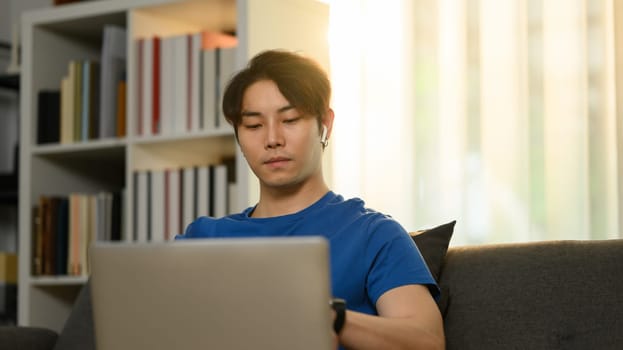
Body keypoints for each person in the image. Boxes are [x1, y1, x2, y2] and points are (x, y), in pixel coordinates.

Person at [176, 49, 445, 349]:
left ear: (325, 124)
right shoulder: (202, 238)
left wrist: (330, 318)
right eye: (253, 125)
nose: (272, 139)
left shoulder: (373, 234)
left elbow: (427, 342)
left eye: (290, 119)